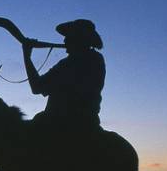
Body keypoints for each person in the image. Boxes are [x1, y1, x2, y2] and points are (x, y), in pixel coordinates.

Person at [22, 19, 105, 149]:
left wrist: (27, 56)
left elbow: (37, 87)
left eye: (69, 37)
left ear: (79, 39)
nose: (64, 41)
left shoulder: (72, 62)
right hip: (87, 121)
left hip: (61, 123)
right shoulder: (93, 59)